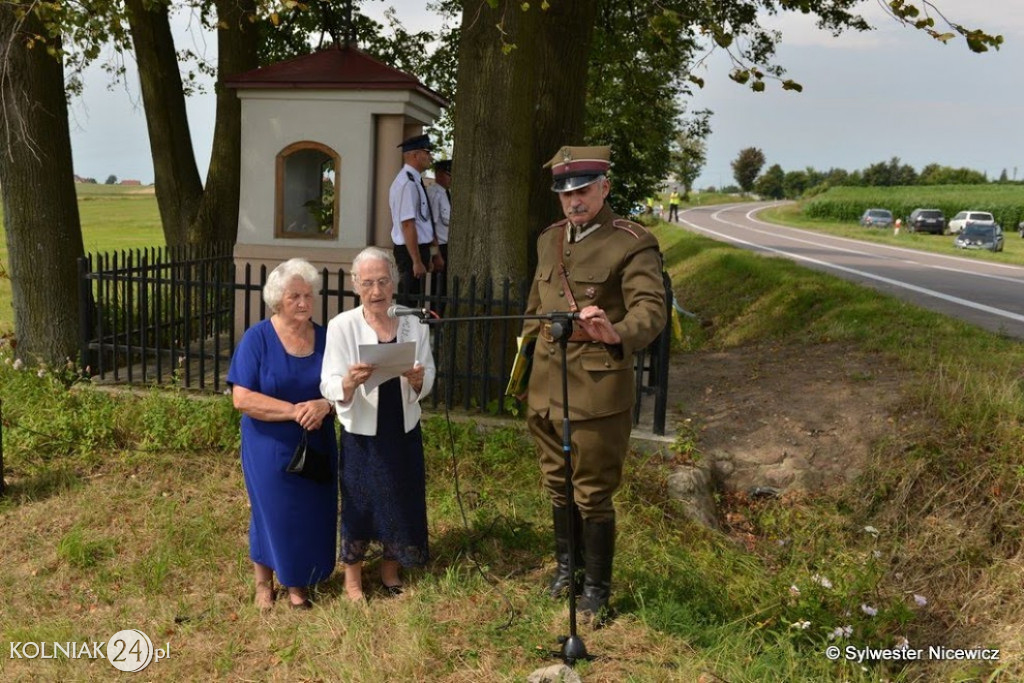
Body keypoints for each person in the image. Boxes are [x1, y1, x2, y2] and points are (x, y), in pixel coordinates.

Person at [522, 145, 666, 623]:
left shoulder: (631, 242)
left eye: (582, 190)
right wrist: (522, 375)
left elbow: (651, 310)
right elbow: (532, 312)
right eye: (565, 193)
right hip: (545, 386)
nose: (574, 200)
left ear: (604, 187)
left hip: (596, 391)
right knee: (558, 487)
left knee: (592, 493)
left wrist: (616, 331)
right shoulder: (549, 240)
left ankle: (596, 591)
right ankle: (568, 571)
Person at [320, 247, 436, 602]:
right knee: (360, 501)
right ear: (355, 285)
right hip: (362, 430)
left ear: (394, 283)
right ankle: (352, 579)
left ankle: (390, 569)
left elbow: (429, 370)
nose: (376, 291)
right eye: (368, 282)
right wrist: (350, 382)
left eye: (383, 281)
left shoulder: (413, 322)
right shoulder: (342, 325)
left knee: (399, 495)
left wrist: (418, 380)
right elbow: (328, 382)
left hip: (401, 425)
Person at [227, 258, 337, 611]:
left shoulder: (327, 338)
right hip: (269, 445)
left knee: (313, 511)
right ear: (277, 300)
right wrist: (294, 411)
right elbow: (241, 398)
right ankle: (266, 584)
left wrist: (325, 405)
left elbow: (343, 387)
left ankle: (299, 580)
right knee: (271, 511)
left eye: (308, 295)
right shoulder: (257, 338)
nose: (303, 303)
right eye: (294, 297)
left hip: (317, 441)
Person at [389, 134, 444, 301]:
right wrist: (416, 261)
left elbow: (424, 224)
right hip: (410, 251)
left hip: (420, 249)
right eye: (426, 152)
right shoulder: (407, 184)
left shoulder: (416, 181)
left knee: (415, 300)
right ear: (414, 155)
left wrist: (434, 253)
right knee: (408, 301)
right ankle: (403, 328)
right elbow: (408, 225)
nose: (430, 157)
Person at [426, 158, 453, 307]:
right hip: (440, 247)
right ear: (440, 174)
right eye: (449, 174)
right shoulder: (433, 194)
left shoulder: (447, 194)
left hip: (449, 247)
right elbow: (431, 228)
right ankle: (436, 324)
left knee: (447, 288)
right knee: (439, 289)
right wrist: (436, 254)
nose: (451, 178)